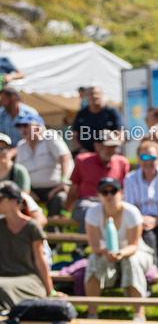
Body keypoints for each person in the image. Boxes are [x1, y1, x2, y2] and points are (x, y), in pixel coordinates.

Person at [82, 177, 154, 321]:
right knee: (94, 260)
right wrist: (106, 252)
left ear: (121, 193)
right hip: (108, 253)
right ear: (99, 195)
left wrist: (121, 253)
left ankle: (139, 312)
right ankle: (92, 312)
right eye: (105, 192)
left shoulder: (132, 212)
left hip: (136, 252)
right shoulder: (92, 213)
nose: (109, 195)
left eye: (113, 191)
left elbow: (134, 245)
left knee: (131, 260)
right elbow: (94, 246)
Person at [0, 181, 61, 311]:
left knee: (2, 287)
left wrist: (50, 291)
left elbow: (40, 261)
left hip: (29, 279)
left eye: (1, 198)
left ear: (13, 201)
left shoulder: (32, 226)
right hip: (4, 278)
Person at [123, 139, 158, 257]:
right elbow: (129, 206)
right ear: (138, 159)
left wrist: (156, 220)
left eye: (153, 158)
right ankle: (156, 267)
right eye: (144, 157)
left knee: (147, 235)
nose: (148, 161)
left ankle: (152, 268)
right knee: (145, 233)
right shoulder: (130, 178)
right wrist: (142, 219)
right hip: (139, 221)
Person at [64, 133, 130, 232]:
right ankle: (82, 245)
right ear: (97, 146)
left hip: (111, 201)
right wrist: (65, 212)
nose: (112, 150)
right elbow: (74, 187)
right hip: (87, 202)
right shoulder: (82, 160)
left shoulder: (122, 162)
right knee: (90, 212)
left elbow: (125, 189)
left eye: (115, 147)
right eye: (108, 147)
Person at [16, 113, 73, 217]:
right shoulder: (21, 145)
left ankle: (54, 232)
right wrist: (28, 191)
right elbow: (18, 171)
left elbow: (65, 158)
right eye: (20, 126)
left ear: (38, 127)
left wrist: (63, 181)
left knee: (59, 198)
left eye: (25, 125)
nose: (22, 129)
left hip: (55, 188)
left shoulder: (50, 136)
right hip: (32, 190)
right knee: (17, 200)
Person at [70, 86, 124, 155]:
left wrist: (112, 150)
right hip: (86, 155)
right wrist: (81, 150)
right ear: (86, 97)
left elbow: (121, 134)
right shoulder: (81, 114)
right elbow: (73, 136)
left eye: (97, 93)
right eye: (91, 94)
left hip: (108, 155)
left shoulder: (112, 112)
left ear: (102, 95)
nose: (94, 96)